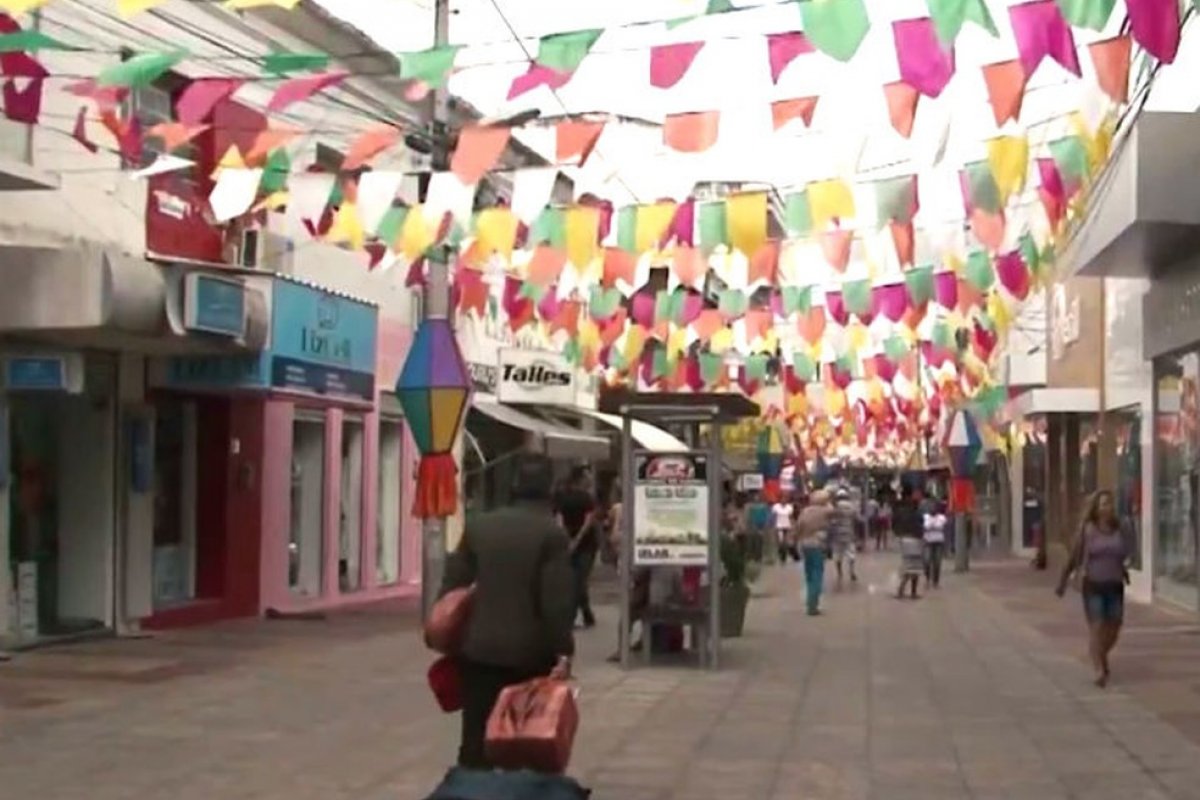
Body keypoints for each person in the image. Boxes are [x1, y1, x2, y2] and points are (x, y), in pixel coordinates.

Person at [439, 453, 576, 769]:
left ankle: (471, 789)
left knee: (475, 739)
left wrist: (452, 635)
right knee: (523, 739)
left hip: (477, 651)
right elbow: (556, 602)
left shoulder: (478, 526)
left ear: (514, 484)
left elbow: (451, 589)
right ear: (550, 488)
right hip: (529, 655)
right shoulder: (551, 534)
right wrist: (563, 651)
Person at [1056, 490, 1131, 688]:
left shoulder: (1119, 528)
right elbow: (1074, 555)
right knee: (1097, 627)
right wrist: (1063, 581)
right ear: (1096, 509)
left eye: (1110, 503)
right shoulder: (1088, 530)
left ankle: (1099, 654)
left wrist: (1125, 568)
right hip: (1093, 585)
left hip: (1115, 585)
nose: (1107, 507)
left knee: (1113, 629)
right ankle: (1099, 669)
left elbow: (1123, 553)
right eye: (1103, 504)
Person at [554, 466, 597, 629]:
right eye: (587, 476)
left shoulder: (562, 496)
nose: (590, 479)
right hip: (586, 544)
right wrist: (576, 539)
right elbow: (588, 521)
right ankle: (583, 614)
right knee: (579, 580)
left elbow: (559, 519)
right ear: (580, 479)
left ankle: (580, 615)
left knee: (576, 580)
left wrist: (568, 539)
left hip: (575, 544)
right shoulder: (587, 498)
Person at [795, 490, 834, 615]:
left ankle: (809, 602)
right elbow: (833, 510)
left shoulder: (805, 511)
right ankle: (813, 604)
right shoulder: (825, 511)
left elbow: (798, 527)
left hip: (805, 544)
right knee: (817, 574)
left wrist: (797, 540)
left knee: (809, 573)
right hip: (818, 544)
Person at [892, 483, 924, 599]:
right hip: (915, 539)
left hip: (905, 539)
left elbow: (894, 523)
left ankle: (901, 590)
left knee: (908, 565)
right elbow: (920, 524)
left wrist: (897, 534)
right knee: (915, 567)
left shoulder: (899, 507)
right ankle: (912, 592)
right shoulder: (915, 508)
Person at [830, 487, 858, 584]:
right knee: (851, 554)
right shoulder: (852, 506)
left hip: (837, 534)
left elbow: (831, 521)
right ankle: (851, 571)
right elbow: (856, 519)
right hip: (849, 533)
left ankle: (840, 573)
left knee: (838, 555)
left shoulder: (835, 507)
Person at [923, 500, 948, 589]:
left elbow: (940, 526)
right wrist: (933, 524)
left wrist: (933, 524)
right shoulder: (925, 516)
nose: (933, 509)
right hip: (928, 541)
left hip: (938, 542)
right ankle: (927, 579)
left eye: (934, 507)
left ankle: (936, 581)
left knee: (937, 562)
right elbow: (926, 526)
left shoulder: (942, 517)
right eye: (931, 508)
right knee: (927, 561)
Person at [771, 496, 796, 562]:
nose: (784, 500)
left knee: (787, 541)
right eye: (782, 499)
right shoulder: (776, 507)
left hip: (787, 526)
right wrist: (773, 525)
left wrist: (793, 525)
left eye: (785, 499)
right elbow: (773, 516)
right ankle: (781, 554)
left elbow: (791, 517)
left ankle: (785, 555)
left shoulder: (789, 507)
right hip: (779, 526)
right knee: (781, 541)